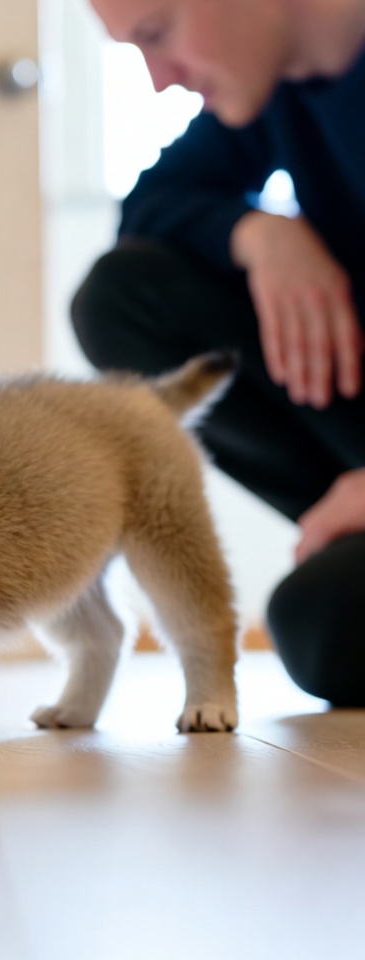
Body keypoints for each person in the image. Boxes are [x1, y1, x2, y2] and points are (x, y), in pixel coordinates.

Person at [73, 0, 365, 705]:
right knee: (121, 295)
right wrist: (256, 231)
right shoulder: (281, 88)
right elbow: (148, 206)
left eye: (157, 33)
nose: (158, 79)